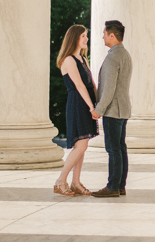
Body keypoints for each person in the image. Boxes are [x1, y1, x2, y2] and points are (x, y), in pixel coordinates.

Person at [53, 25, 100, 196]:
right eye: (83, 36)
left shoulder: (83, 59)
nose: (86, 39)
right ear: (74, 38)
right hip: (78, 103)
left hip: (87, 102)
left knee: (83, 145)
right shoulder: (68, 60)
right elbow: (79, 85)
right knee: (81, 145)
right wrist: (91, 106)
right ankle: (60, 181)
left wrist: (99, 103)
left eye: (86, 35)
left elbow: (91, 84)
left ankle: (75, 182)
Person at [91, 20, 132, 198]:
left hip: (113, 110)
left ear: (112, 35)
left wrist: (99, 109)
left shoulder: (113, 57)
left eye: (104, 33)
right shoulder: (125, 55)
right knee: (120, 148)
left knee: (113, 149)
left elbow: (109, 88)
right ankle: (120, 185)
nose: (103, 36)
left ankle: (113, 186)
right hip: (123, 108)